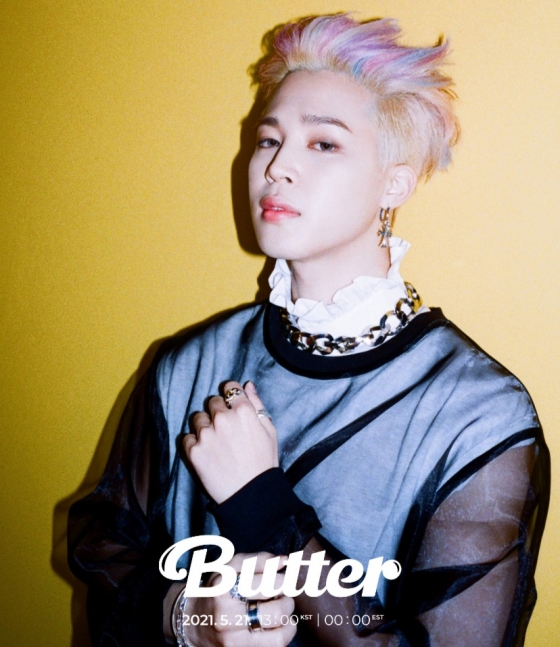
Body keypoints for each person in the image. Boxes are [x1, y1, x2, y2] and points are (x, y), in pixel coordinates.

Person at [68, 14, 550, 647]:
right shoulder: (189, 362)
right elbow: (102, 546)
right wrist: (186, 618)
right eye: (268, 139)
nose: (277, 166)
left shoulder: (477, 414)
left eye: (323, 143)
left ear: (394, 182)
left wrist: (263, 506)